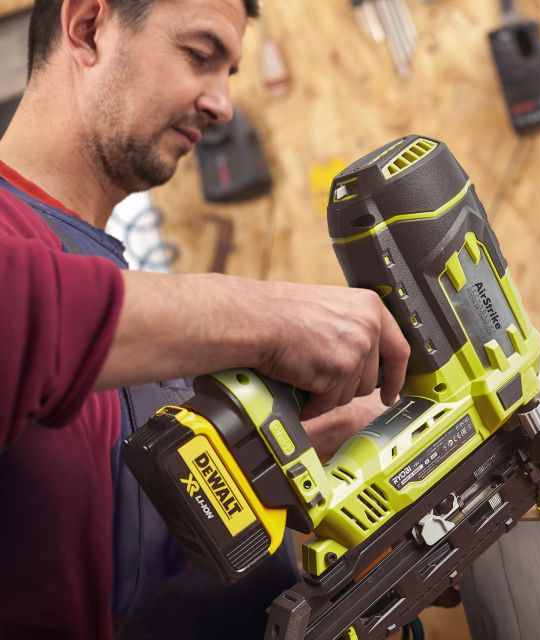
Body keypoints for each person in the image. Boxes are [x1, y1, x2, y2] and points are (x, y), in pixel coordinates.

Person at [0, 0, 411, 638]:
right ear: (87, 28)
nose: (222, 105)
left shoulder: (102, 272)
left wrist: (297, 453)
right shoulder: (20, 247)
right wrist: (268, 318)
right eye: (199, 55)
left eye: (229, 73)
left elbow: (98, 528)